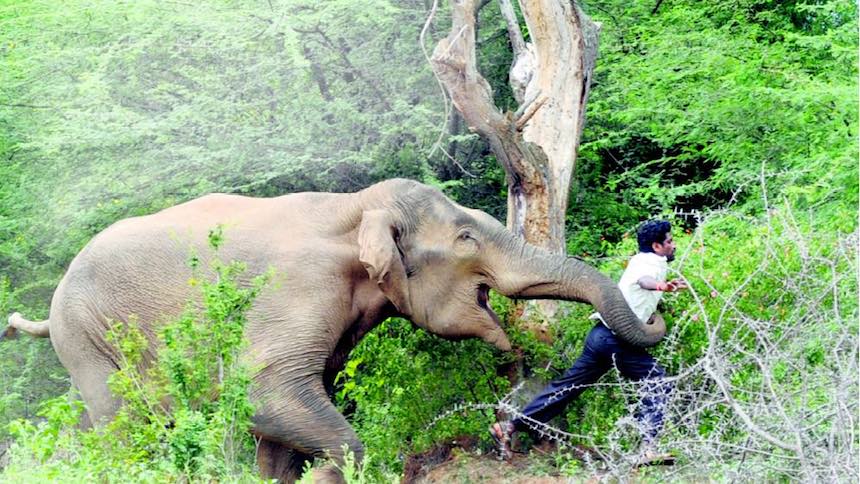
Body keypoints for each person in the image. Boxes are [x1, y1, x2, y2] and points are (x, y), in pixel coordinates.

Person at [490, 220, 687, 463]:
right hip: (616, 341)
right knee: (658, 381)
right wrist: (660, 286)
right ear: (657, 246)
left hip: (601, 337)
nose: (674, 245)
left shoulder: (642, 259)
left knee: (568, 387)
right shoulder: (650, 263)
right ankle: (647, 448)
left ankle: (509, 427)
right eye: (669, 241)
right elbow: (643, 281)